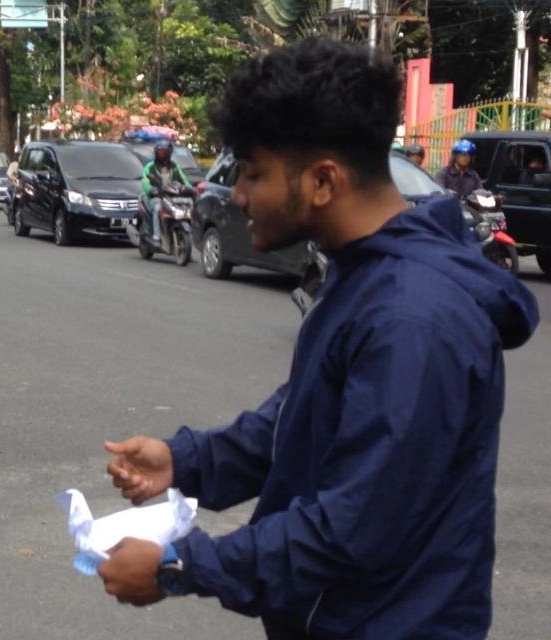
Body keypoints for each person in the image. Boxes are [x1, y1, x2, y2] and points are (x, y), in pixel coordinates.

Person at [97, 38, 538, 637]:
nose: (241, 195)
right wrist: (187, 460)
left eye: (255, 173)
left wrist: (180, 563)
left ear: (324, 180)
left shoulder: (413, 319)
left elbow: (356, 526)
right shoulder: (363, 273)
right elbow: (305, 418)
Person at [140, 139, 190, 243]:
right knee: (158, 208)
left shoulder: (174, 167)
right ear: (156, 153)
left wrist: (189, 188)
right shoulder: (150, 167)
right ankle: (156, 237)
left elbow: (184, 180)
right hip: (155, 197)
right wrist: (151, 189)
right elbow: (145, 182)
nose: (162, 155)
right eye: (160, 152)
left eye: (165, 152)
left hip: (172, 198)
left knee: (186, 207)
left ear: (170, 153)